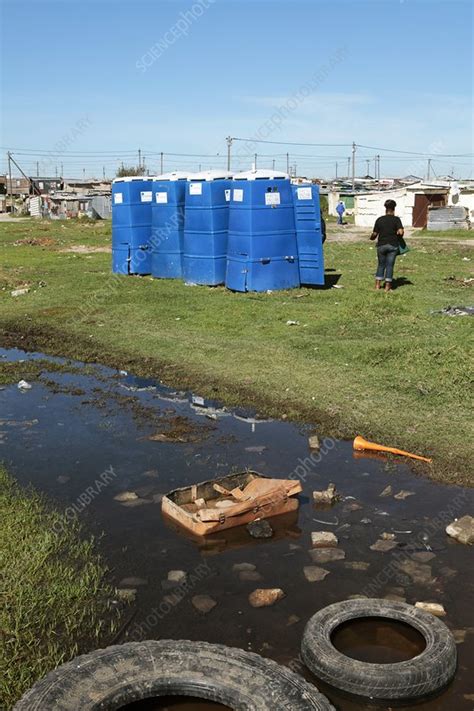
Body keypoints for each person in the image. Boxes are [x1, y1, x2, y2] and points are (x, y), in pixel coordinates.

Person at [370, 199, 406, 291]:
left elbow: (374, 234)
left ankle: (377, 286)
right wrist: (399, 233)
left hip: (381, 245)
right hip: (392, 245)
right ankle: (387, 287)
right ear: (394, 209)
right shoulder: (396, 219)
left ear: (385, 209)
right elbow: (401, 232)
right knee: (390, 265)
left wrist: (371, 238)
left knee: (381, 265)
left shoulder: (379, 219)